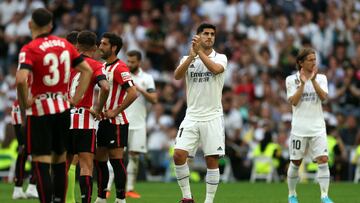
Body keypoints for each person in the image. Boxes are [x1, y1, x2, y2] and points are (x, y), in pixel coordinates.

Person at [16, 8, 92, 203]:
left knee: (41, 162)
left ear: (30, 24)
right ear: (51, 25)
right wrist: (75, 99)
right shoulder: (65, 45)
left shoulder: (29, 48)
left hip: (40, 110)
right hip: (62, 108)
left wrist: (25, 103)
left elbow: (20, 80)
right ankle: (60, 200)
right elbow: (86, 70)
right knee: (60, 162)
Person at [173, 23, 227, 203]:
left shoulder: (221, 57)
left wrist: (200, 53)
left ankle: (209, 201)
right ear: (198, 37)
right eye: (206, 34)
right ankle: (187, 197)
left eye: (212, 34)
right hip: (192, 116)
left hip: (213, 116)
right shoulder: (187, 58)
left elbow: (216, 70)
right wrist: (191, 56)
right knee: (178, 154)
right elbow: (177, 76)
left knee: (211, 160)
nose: (210, 37)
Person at [285, 48, 333, 203]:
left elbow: (324, 97)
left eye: (315, 59)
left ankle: (324, 196)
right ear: (301, 62)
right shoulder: (291, 80)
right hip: (299, 129)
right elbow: (294, 101)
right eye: (310, 59)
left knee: (323, 159)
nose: (314, 62)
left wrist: (312, 80)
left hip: (318, 127)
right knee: (296, 162)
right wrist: (303, 84)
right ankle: (292, 194)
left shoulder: (321, 78)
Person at [94, 32, 137, 203]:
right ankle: (101, 197)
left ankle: (120, 199)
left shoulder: (120, 68)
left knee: (116, 161)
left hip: (116, 122)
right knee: (99, 160)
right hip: (103, 121)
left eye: (104, 44)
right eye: (100, 43)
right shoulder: (103, 67)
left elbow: (133, 93)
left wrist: (116, 110)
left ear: (114, 48)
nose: (100, 46)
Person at [67, 30, 110, 203]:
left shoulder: (67, 62)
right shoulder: (95, 65)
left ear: (77, 44)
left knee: (63, 164)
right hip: (84, 119)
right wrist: (98, 108)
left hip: (64, 118)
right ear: (95, 46)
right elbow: (105, 87)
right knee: (86, 165)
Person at [125, 50, 158, 198]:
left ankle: (130, 188)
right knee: (115, 155)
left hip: (138, 123)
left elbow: (154, 99)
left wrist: (140, 89)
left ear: (139, 62)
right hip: (122, 120)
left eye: (132, 62)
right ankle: (106, 188)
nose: (129, 64)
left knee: (134, 156)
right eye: (128, 61)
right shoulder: (123, 75)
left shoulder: (147, 78)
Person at [11, 99, 38, 200]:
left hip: (23, 110)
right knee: (30, 150)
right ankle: (26, 187)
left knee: (27, 150)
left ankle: (24, 187)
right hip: (25, 111)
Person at [65, 30, 79, 203]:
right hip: (72, 113)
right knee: (73, 159)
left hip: (56, 112)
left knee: (62, 160)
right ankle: (69, 199)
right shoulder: (78, 63)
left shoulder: (60, 61)